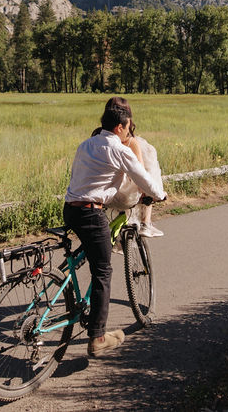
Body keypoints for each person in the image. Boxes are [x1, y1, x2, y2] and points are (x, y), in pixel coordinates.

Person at [64, 101, 167, 356]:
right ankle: (98, 337)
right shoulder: (119, 149)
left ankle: (67, 287)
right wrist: (160, 195)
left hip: (71, 209)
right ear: (120, 127)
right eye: (127, 128)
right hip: (91, 212)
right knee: (103, 271)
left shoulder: (86, 144)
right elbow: (143, 178)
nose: (128, 132)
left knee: (91, 250)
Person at [100, 98, 164, 237]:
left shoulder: (98, 138)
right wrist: (150, 194)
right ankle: (146, 222)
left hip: (106, 192)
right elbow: (141, 173)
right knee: (149, 162)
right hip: (127, 194)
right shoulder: (131, 143)